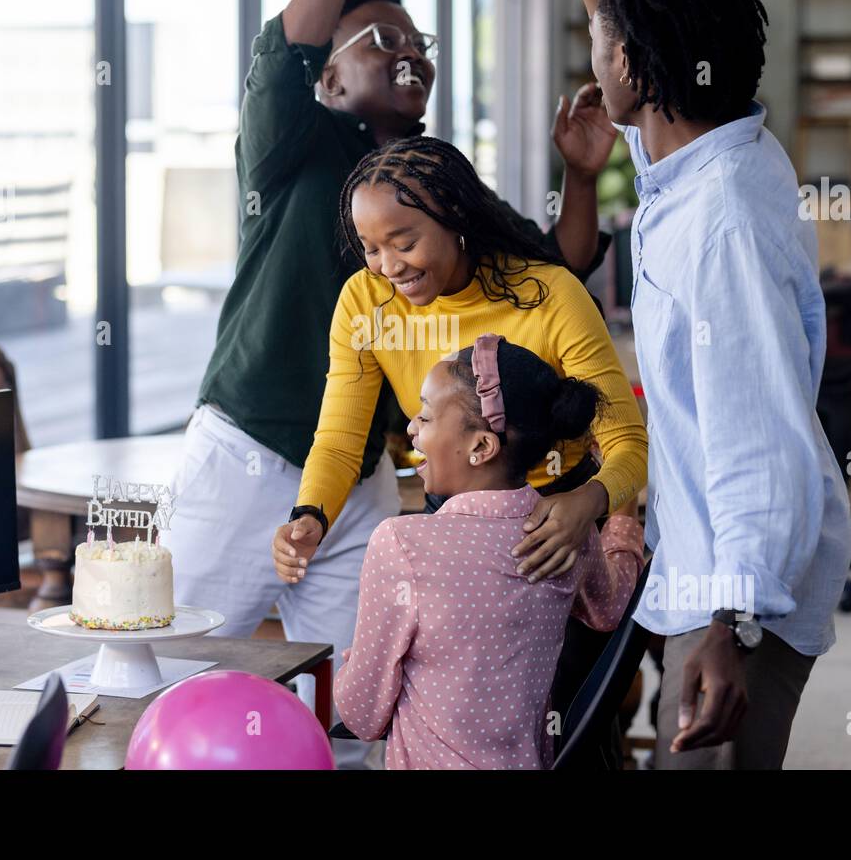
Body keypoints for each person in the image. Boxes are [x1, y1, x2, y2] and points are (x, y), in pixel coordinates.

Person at [163, 0, 616, 769]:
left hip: (358, 476)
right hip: (243, 455)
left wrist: (578, 175)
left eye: (420, 45)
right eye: (380, 39)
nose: (410, 53)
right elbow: (279, 59)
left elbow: (556, 262)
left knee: (354, 700)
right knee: (174, 674)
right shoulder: (290, 147)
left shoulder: (437, 182)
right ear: (329, 78)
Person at [548, 0, 851, 769]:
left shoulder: (721, 225)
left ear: (637, 68)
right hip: (710, 568)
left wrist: (732, 625)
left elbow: (755, 438)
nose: (595, 60)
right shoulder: (714, 154)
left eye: (604, 45)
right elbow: (649, 119)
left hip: (738, 590)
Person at [271, 136, 648, 719]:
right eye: (370, 247)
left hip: (560, 525)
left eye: (405, 242)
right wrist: (310, 515)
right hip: (452, 528)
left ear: (457, 219)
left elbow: (629, 442)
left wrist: (586, 503)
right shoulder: (365, 303)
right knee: (454, 709)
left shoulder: (548, 295)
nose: (388, 266)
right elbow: (341, 436)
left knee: (564, 718)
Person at [333, 335, 645, 768]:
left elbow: (362, 715)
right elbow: (610, 607)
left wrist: (359, 667)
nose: (410, 427)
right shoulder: (569, 534)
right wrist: (622, 514)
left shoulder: (402, 544)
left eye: (425, 415)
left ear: (481, 447)